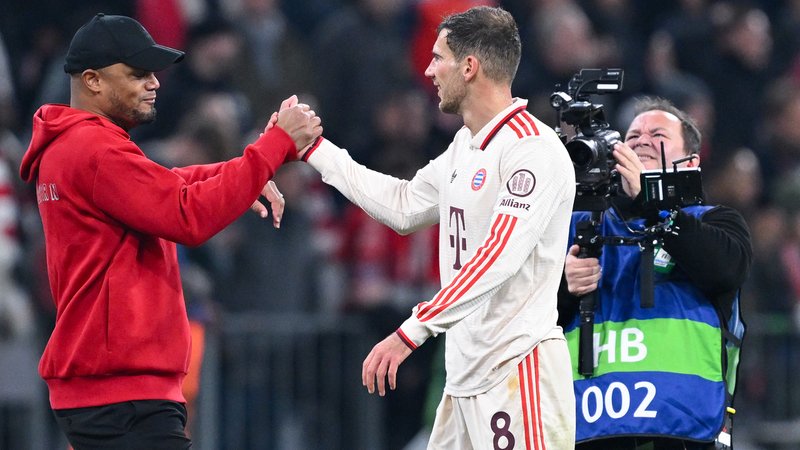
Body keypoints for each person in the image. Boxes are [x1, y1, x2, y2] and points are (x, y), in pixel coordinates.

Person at [18, 13, 321, 449]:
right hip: (122, 392)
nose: (154, 82)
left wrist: (242, 173)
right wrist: (273, 147)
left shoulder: (78, 145)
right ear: (92, 80)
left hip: (111, 389)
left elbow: (165, 184)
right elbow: (185, 214)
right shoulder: (93, 148)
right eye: (137, 73)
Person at [296, 6, 576, 448]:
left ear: (469, 67)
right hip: (463, 376)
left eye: (437, 58)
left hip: (516, 371)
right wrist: (317, 150)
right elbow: (404, 205)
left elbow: (497, 256)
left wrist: (413, 330)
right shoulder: (465, 145)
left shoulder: (533, 150)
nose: (427, 71)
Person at [558, 96, 752, 449]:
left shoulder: (715, 220)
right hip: (591, 429)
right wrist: (563, 285)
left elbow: (723, 271)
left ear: (690, 162)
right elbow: (522, 316)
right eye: (632, 137)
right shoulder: (577, 228)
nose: (641, 141)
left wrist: (651, 201)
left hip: (686, 431)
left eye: (658, 135)